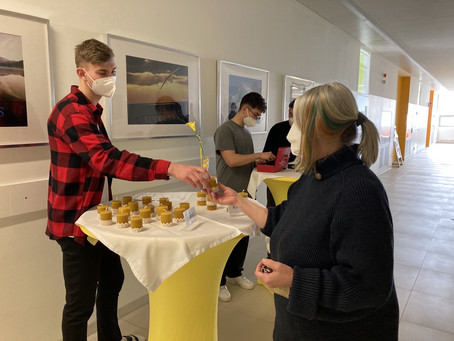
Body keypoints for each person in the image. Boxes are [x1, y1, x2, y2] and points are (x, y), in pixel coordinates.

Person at [46, 39, 211, 341]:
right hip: (74, 221)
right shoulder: (71, 113)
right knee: (79, 304)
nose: (110, 78)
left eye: (114, 70)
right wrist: (170, 168)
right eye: (102, 71)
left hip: (97, 217)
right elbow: (106, 159)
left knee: (111, 280)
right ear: (82, 73)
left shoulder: (92, 110)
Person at [209, 82, 399, 340]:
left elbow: (369, 288)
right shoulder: (314, 176)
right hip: (297, 325)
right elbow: (282, 219)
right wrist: (238, 200)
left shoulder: (359, 191)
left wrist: (293, 279)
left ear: (320, 128)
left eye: (296, 124)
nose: (289, 135)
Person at [213, 92, 275, 302]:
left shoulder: (245, 132)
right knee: (225, 239)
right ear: (244, 108)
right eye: (255, 115)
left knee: (243, 236)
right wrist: (258, 155)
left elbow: (245, 161)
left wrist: (264, 163)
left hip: (245, 193)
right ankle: (219, 282)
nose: (256, 119)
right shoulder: (225, 130)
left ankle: (235, 273)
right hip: (227, 192)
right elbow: (231, 160)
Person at [262, 99, 297, 206]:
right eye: (290, 114)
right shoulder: (278, 129)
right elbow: (266, 155)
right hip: (277, 180)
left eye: (295, 115)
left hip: (299, 181)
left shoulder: (311, 131)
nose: (291, 117)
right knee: (273, 209)